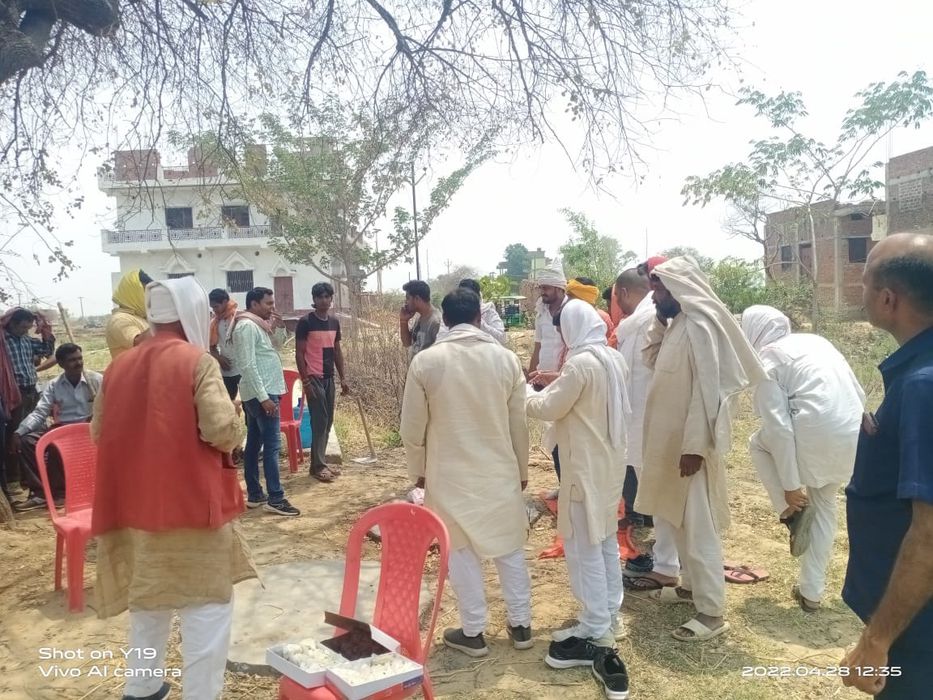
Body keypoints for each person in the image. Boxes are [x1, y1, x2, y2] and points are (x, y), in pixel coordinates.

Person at [91, 276, 256, 700]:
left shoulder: (116, 367)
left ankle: (141, 689)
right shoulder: (197, 361)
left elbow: (98, 433)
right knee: (207, 608)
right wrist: (238, 422)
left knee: (149, 601)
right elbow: (220, 430)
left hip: (135, 509)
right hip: (191, 509)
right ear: (191, 314)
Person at [637, 256, 765, 642]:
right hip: (668, 445)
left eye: (659, 288)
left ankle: (711, 613)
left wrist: (694, 446)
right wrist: (660, 319)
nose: (654, 294)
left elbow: (707, 393)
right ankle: (690, 587)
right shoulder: (677, 325)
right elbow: (650, 359)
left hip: (689, 449)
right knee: (675, 520)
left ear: (679, 287)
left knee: (698, 529)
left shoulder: (701, 327)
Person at [400, 288, 532, 658]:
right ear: (478, 316)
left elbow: (412, 428)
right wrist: (521, 470)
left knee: (460, 553)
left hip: (449, 474)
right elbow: (518, 425)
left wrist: (419, 473)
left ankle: (473, 632)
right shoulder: (505, 360)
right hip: (499, 472)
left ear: (446, 318)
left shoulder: (427, 362)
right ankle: (521, 626)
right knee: (509, 549)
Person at [840, 233, 933, 698]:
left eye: (863, 283)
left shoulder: (923, 384)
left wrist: (877, 641)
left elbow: (930, 532)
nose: (861, 294)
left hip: (917, 635)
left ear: (888, 298)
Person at [740, 305, 865, 613]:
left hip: (814, 432)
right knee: (825, 505)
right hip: (852, 432)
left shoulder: (767, 359)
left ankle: (791, 512)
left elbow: (779, 429)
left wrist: (791, 486)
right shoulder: (816, 342)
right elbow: (857, 390)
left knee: (758, 444)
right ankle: (811, 592)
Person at [526, 300, 629, 672]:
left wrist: (523, 394)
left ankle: (595, 626)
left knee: (584, 546)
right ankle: (609, 614)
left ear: (572, 328)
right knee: (603, 542)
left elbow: (550, 408)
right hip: (608, 463)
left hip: (585, 466)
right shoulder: (612, 358)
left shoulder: (582, 363)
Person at [614, 263, 683, 596]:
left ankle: (668, 565)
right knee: (665, 497)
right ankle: (671, 559)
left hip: (647, 424)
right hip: (652, 421)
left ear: (625, 294)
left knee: (662, 498)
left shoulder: (642, 323)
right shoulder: (647, 321)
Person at [232, 287, 300, 516]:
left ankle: (255, 493)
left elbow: (272, 350)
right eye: (268, 303)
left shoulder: (257, 325)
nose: (272, 307)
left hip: (263, 391)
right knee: (272, 446)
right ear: (253, 304)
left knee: (254, 443)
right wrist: (264, 398)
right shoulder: (246, 327)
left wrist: (279, 326)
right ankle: (276, 498)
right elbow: (247, 364)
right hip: (262, 394)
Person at [10, 343, 102, 511]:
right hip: (62, 429)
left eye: (79, 358)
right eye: (72, 360)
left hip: (88, 429)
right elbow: (40, 412)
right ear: (61, 364)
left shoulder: (96, 380)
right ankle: (41, 493)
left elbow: (108, 407)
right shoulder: (54, 385)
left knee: (55, 448)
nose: (78, 363)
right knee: (26, 441)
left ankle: (60, 494)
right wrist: (19, 431)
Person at [295, 282, 349, 484]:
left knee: (328, 421)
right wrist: (306, 381)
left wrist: (342, 377)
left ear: (331, 298)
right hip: (313, 377)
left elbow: (337, 351)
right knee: (319, 419)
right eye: (320, 297)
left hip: (329, 377)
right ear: (314, 299)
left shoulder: (334, 322)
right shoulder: (306, 322)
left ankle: (319, 462)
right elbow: (299, 353)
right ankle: (318, 465)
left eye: (327, 296)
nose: (324, 300)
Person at [1, 307, 55, 500]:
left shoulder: (26, 340)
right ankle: (14, 479)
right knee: (14, 434)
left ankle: (28, 477)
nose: (25, 330)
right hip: (14, 394)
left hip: (32, 391)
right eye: (23, 327)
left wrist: (46, 329)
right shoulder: (3, 341)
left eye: (28, 327)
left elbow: (47, 350)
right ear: (12, 324)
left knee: (32, 432)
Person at [527, 268, 568, 484]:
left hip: (567, 379)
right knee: (552, 435)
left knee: (566, 436)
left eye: (547, 287)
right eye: (541, 287)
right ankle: (562, 483)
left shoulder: (571, 312)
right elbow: (538, 346)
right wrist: (530, 376)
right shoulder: (541, 313)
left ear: (560, 289)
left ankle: (569, 484)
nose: (543, 291)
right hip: (544, 379)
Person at [435, 278, 507, 345]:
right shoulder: (452, 313)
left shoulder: (488, 312)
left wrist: (479, 322)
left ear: (478, 297)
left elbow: (502, 338)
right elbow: (440, 338)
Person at [105, 269, 153, 359]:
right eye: (146, 293)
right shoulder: (119, 319)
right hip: (130, 372)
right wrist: (162, 323)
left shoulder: (141, 317)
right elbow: (139, 342)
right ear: (133, 293)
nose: (150, 298)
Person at [209, 288, 241, 400]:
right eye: (212, 308)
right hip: (227, 368)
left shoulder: (239, 318)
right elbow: (211, 346)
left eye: (216, 306)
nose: (214, 310)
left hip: (243, 367)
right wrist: (219, 358)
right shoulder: (215, 322)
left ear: (224, 302)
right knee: (228, 401)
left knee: (249, 404)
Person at [567, 277, 615, 346]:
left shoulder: (602, 318)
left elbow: (609, 346)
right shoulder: (566, 316)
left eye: (572, 297)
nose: (568, 301)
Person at [399, 280, 441, 358]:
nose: (406, 302)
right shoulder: (419, 317)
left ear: (417, 298)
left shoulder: (436, 322)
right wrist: (403, 321)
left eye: (408, 298)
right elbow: (407, 343)